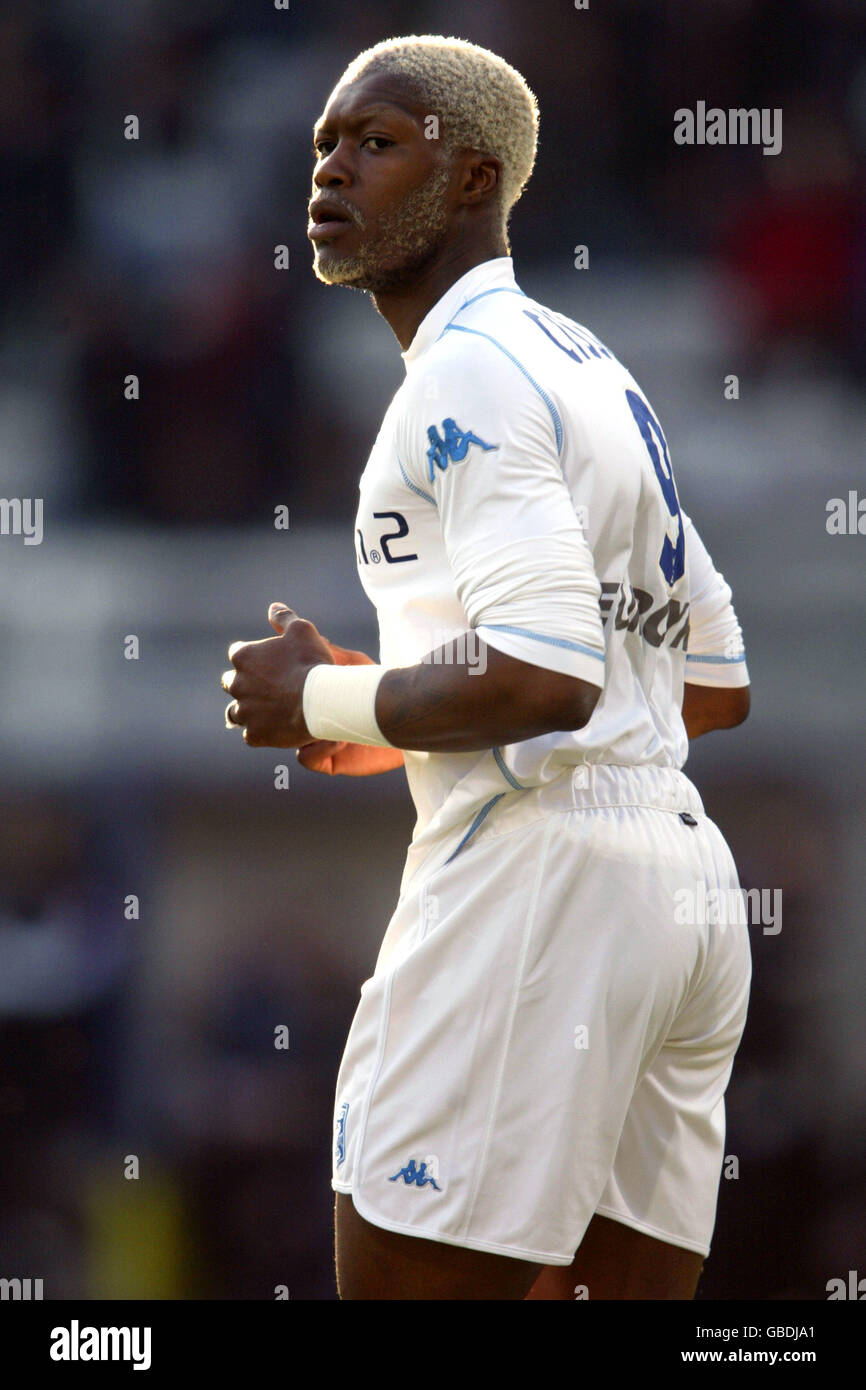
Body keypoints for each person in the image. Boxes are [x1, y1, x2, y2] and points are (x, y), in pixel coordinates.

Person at [221, 34, 752, 1301]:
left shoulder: (459, 375)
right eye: (323, 147)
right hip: (678, 883)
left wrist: (323, 698)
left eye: (376, 142)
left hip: (539, 884)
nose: (331, 171)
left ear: (473, 179)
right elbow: (709, 683)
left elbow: (548, 681)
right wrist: (410, 714)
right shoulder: (592, 369)